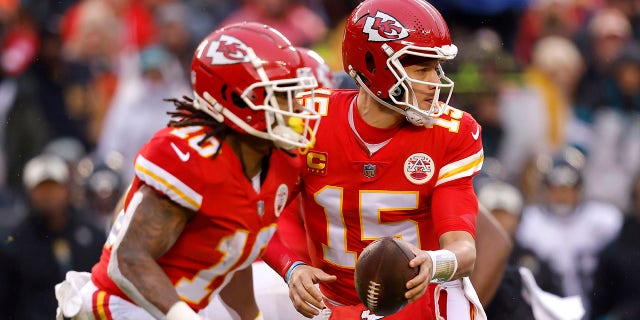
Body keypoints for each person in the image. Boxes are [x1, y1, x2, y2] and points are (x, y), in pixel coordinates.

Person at [54, 22, 321, 320]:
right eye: (282, 95)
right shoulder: (191, 158)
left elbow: (233, 255)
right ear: (234, 97)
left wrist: (251, 317)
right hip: (119, 308)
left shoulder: (280, 162)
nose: (296, 108)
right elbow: (127, 260)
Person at [262, 0, 486, 319]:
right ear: (373, 64)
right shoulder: (309, 119)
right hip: (332, 305)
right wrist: (292, 268)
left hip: (421, 299)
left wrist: (433, 263)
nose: (435, 81)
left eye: (437, 67)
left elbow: (463, 249)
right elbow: (257, 213)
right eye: (422, 69)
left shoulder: (452, 133)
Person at [0, 153, 105, 320]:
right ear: (29, 192)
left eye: (53, 187)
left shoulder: (92, 235)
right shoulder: (15, 243)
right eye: (41, 188)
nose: (48, 195)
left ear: (66, 189)